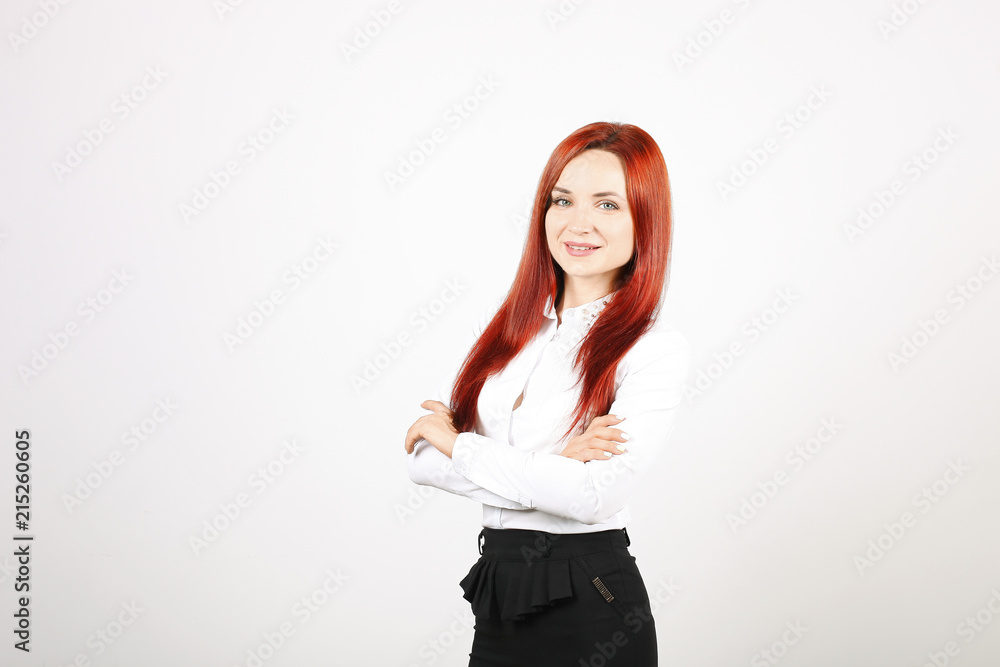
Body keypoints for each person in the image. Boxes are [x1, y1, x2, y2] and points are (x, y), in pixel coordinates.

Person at [403, 121, 691, 666]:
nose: (578, 223)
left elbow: (591, 498)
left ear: (644, 221)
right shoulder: (504, 331)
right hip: (498, 591)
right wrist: (553, 462)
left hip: (592, 598)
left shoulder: (653, 347)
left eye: (608, 205)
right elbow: (420, 459)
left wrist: (459, 444)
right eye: (563, 200)